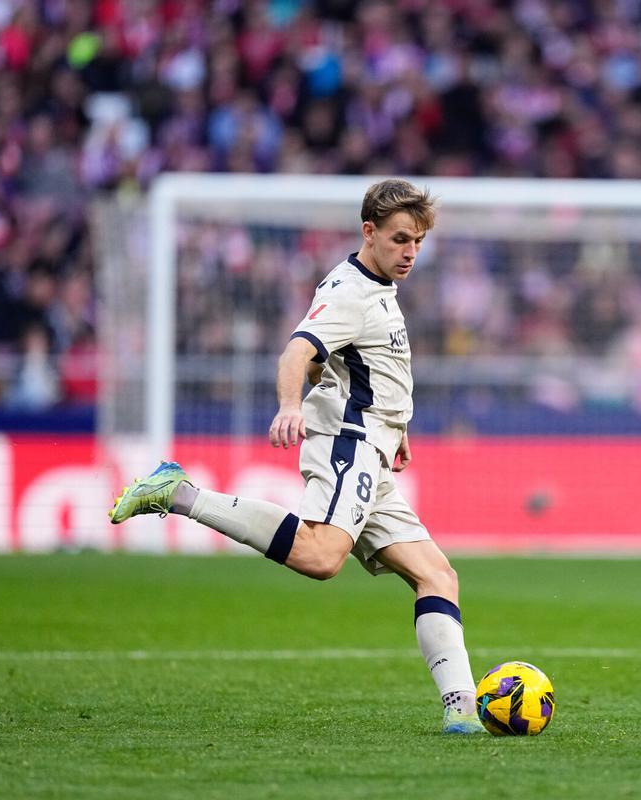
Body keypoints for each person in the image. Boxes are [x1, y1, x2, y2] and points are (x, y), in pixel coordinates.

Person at [109, 179, 487, 735]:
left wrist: (396, 425)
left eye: (419, 242)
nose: (410, 252)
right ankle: (180, 493)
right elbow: (298, 351)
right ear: (369, 233)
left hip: (375, 449)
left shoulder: (379, 284)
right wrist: (291, 405)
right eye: (401, 239)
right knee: (319, 557)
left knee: (437, 576)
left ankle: (462, 711)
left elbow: (344, 364)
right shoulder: (351, 292)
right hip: (348, 446)